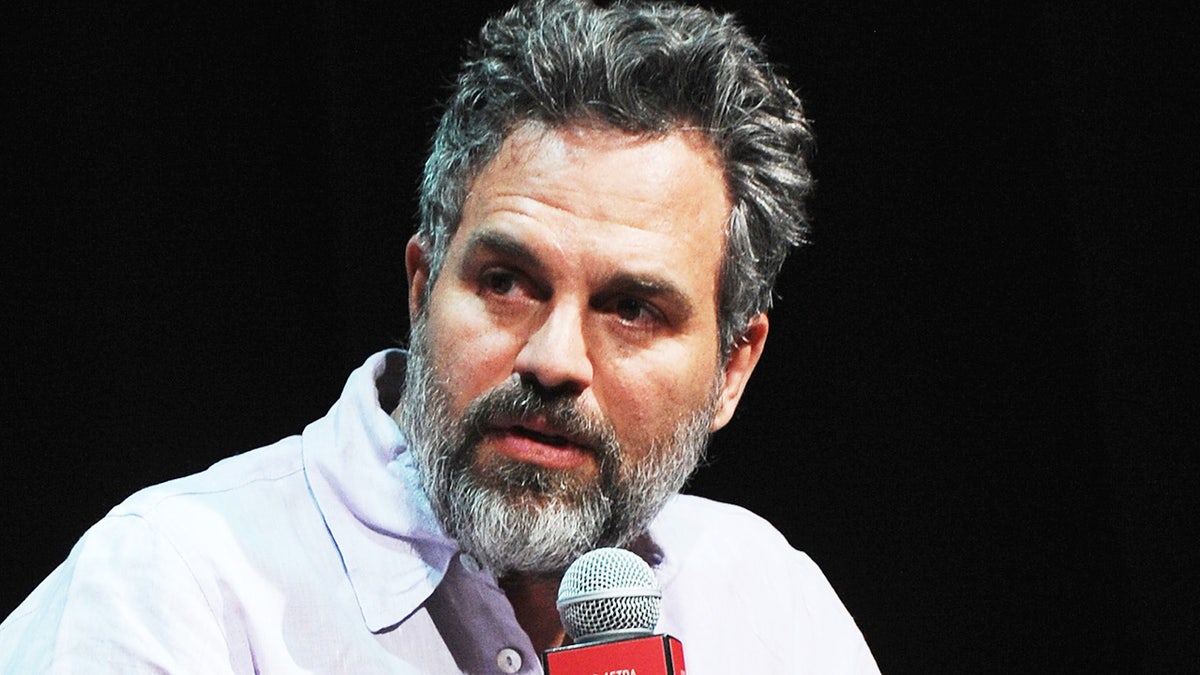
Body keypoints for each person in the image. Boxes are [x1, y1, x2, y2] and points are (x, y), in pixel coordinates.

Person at [0, 0, 879, 672]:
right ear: (423, 288)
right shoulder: (176, 585)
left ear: (733, 367)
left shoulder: (768, 603)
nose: (553, 359)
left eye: (632, 310)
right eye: (505, 282)